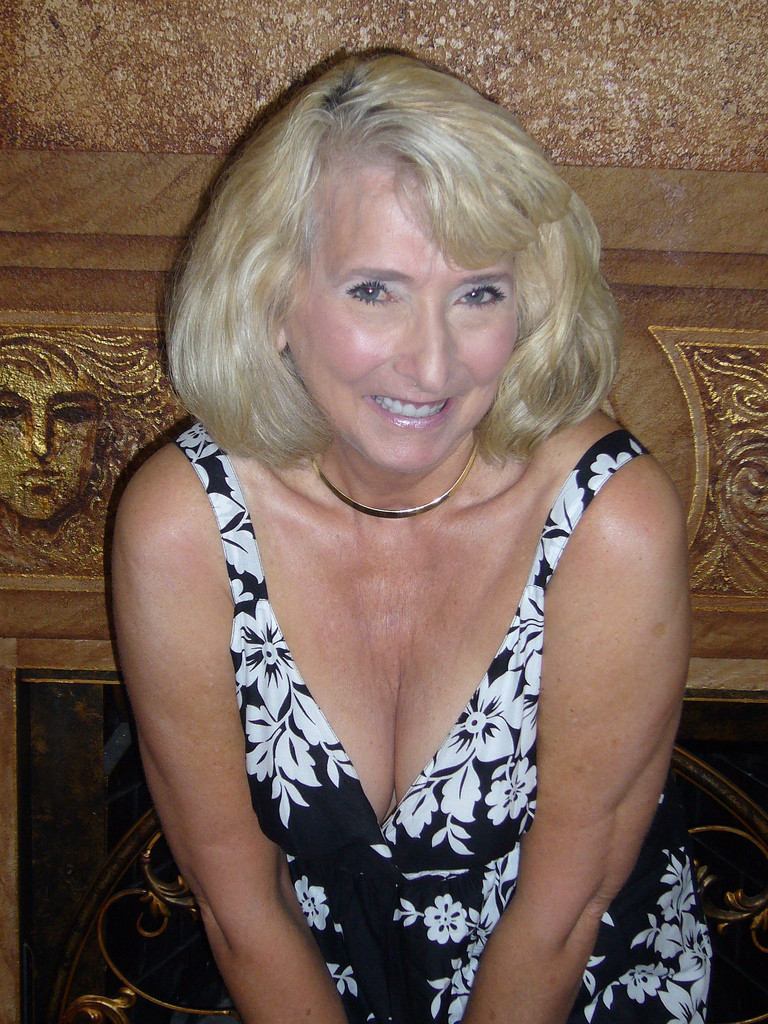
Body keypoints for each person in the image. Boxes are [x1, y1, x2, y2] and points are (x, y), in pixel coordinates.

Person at [112, 54, 711, 1024]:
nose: (432, 365)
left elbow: (561, 919)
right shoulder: (183, 526)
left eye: (478, 294)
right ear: (272, 298)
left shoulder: (609, 523)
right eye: (374, 291)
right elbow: (242, 909)